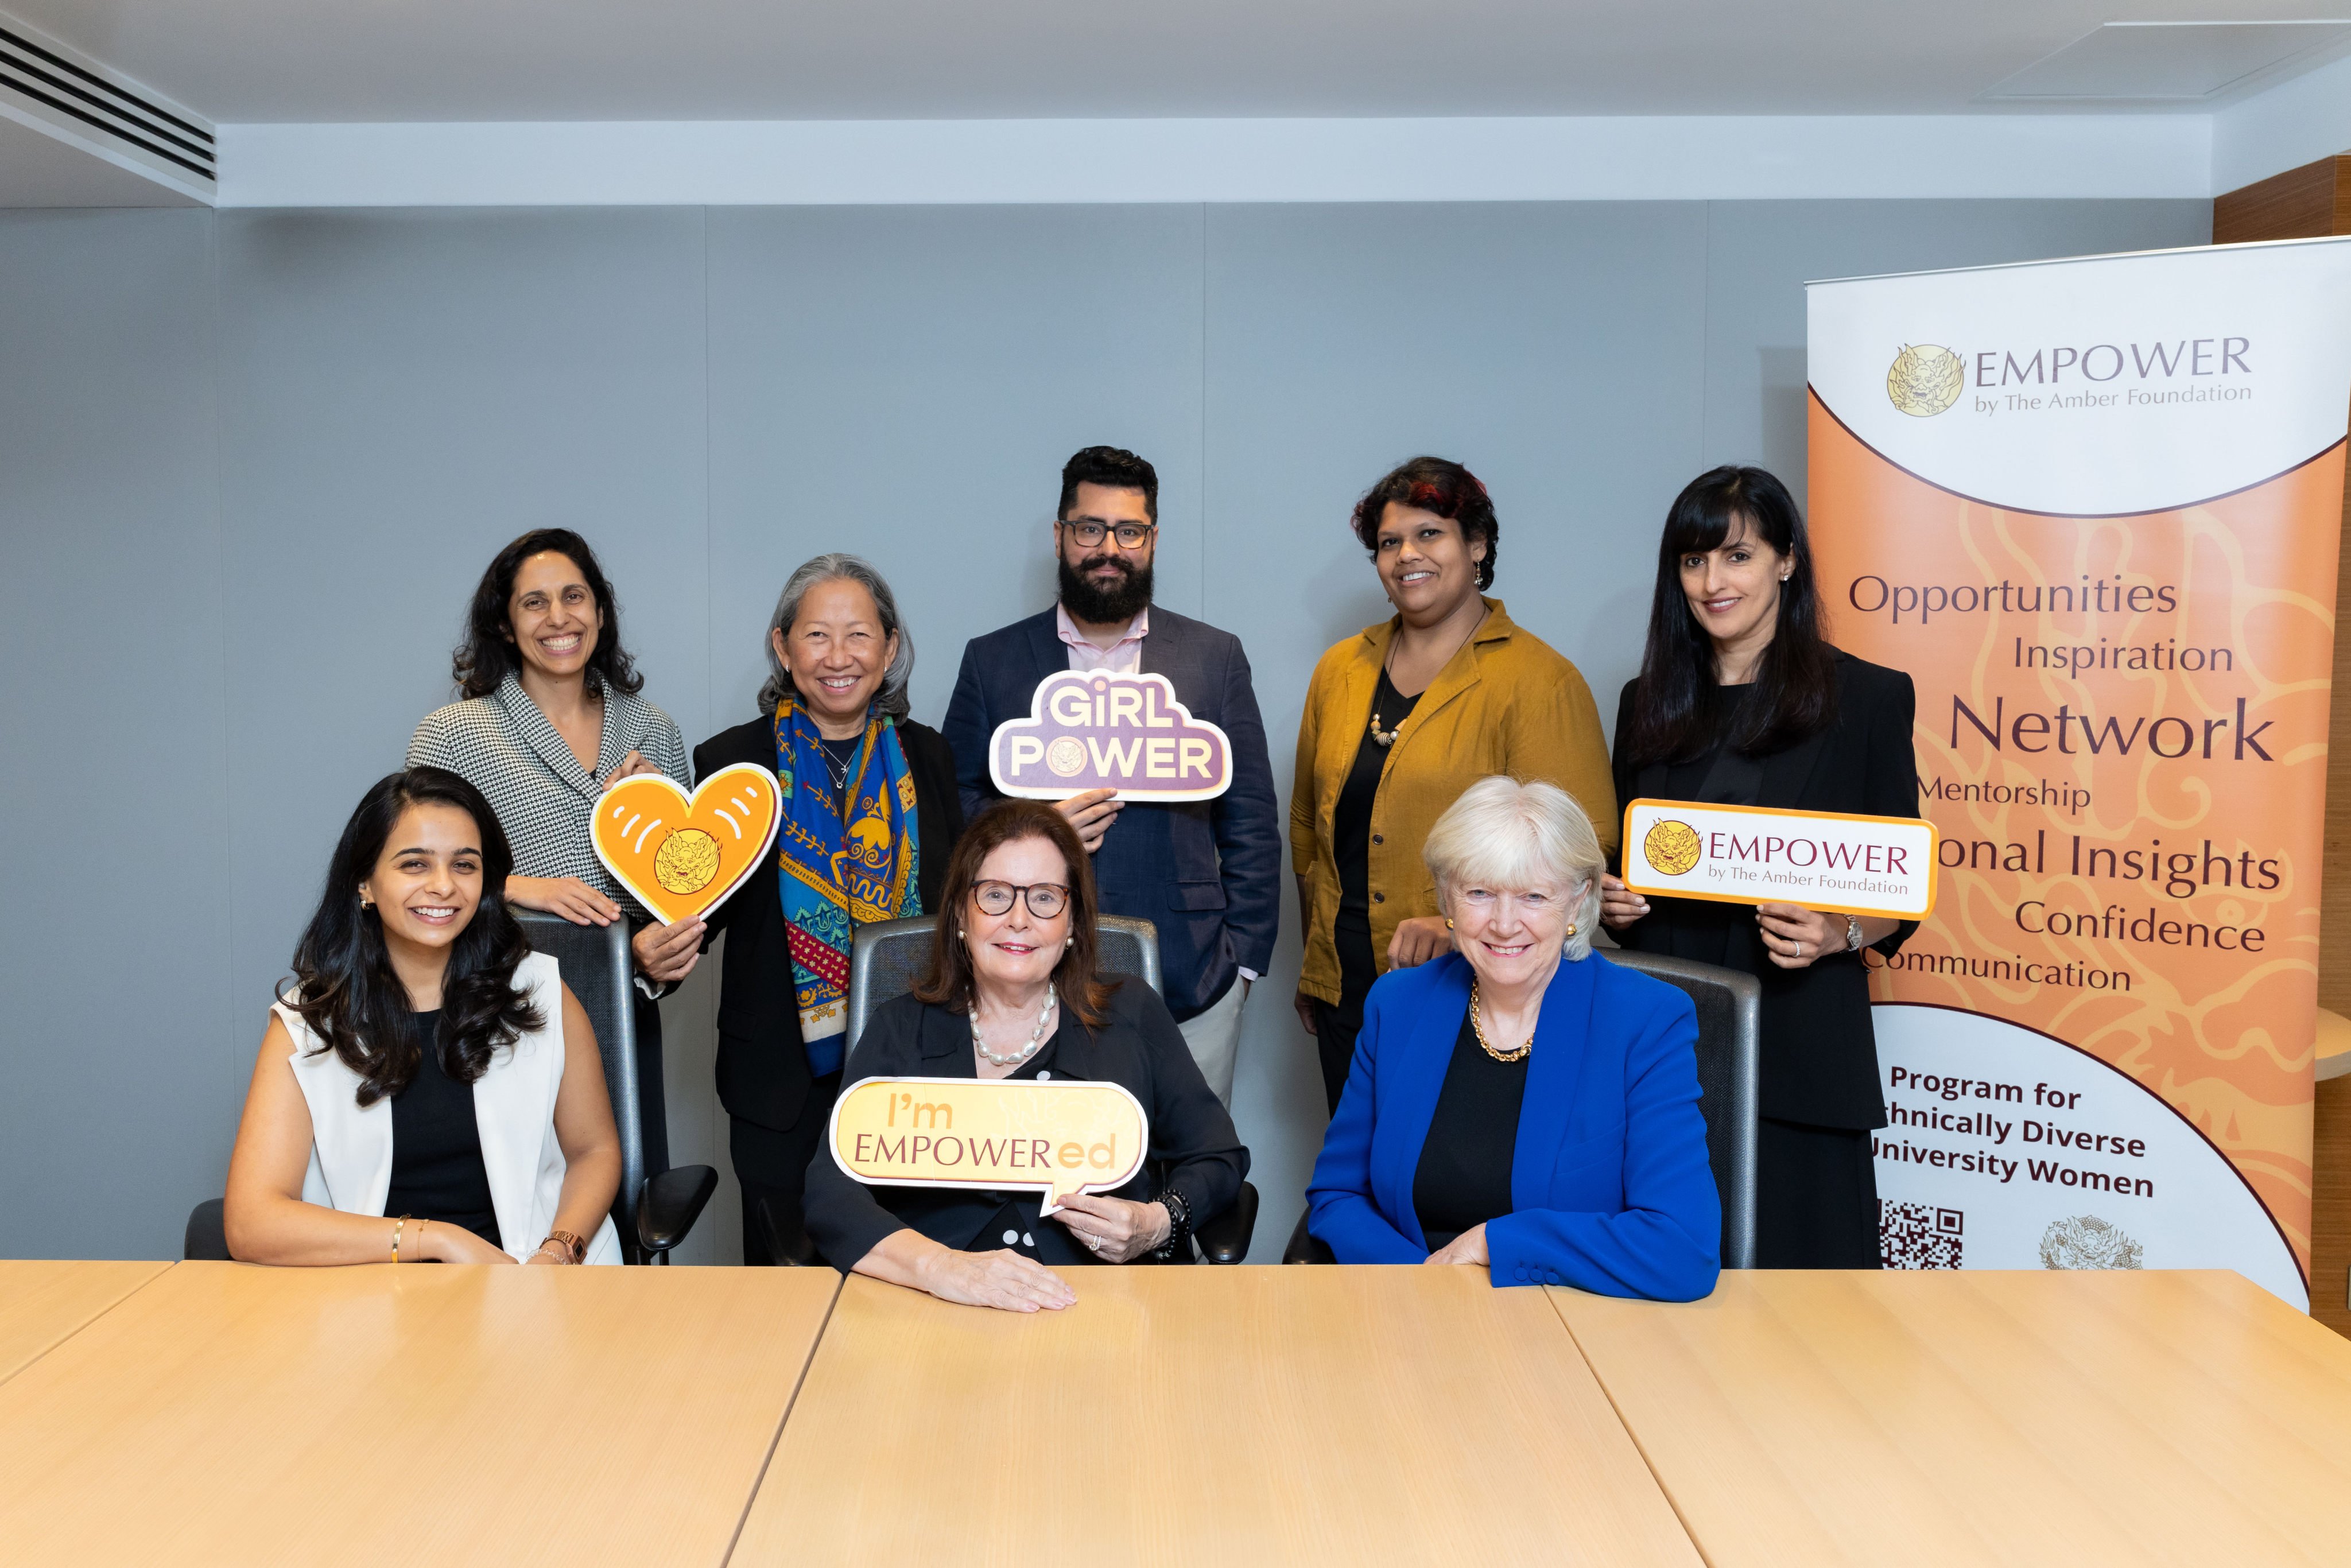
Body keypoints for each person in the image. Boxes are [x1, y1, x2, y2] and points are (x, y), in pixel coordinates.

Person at [1602, 465, 1918, 1269]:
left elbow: (1899, 891)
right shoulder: (1645, 702)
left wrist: (1839, 931)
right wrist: (1611, 903)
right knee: (1663, 1288)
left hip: (1802, 1044)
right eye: (1693, 560)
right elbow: (1626, 867)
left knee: (1810, 1306)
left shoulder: (1868, 698)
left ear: (1786, 561)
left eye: (1737, 556)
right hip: (1664, 1042)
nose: (1713, 582)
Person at [802, 799, 1248, 1311]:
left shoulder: (1131, 1013)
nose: (1019, 920)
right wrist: (940, 1268)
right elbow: (830, 1193)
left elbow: (1219, 1157)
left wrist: (1156, 1222)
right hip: (934, 1309)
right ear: (961, 914)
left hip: (1101, 1308)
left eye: (1044, 898)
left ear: (1073, 921)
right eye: (995, 895)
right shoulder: (900, 1028)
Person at [942, 446, 1280, 1108]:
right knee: (1044, 1155)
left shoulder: (1214, 657)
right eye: (1089, 528)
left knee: (1188, 1155)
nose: (1108, 549)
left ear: (1151, 539)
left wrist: (1241, 964)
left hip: (1191, 975)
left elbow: (1252, 820)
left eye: (1129, 531)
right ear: (1060, 535)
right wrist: (1037, 828)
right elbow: (954, 805)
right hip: (1026, 975)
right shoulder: (992, 660)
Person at [1306, 777, 1718, 1300]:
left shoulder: (1645, 1021)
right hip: (1409, 1306)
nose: (1504, 924)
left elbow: (1683, 1249)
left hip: (1570, 1321)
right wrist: (1423, 1284)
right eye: (1480, 893)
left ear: (1577, 901)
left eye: (1533, 896)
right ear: (1446, 897)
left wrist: (1494, 1243)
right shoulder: (1398, 1004)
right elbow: (1339, 1194)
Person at [1291, 456, 1617, 1113]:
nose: (1406, 554)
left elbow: (1583, 853)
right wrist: (1317, 965)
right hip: (1345, 986)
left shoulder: (1539, 680)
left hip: (1478, 986)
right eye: (1389, 542)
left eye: (1429, 534)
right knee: (1360, 1161)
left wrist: (1457, 920)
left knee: (1449, 1164)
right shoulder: (1340, 669)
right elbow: (1307, 830)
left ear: (1477, 545)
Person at [680, 554, 963, 1264]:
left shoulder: (929, 758)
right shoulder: (730, 763)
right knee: (781, 1290)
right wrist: (655, 946)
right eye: (816, 635)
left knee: (909, 1277)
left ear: (889, 649)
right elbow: (694, 915)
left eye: (859, 634)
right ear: (783, 647)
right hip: (776, 1082)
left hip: (913, 1071)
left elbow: (956, 905)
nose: (838, 657)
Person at [223, 767, 623, 1266]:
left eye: (464, 865)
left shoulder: (540, 991)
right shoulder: (308, 1024)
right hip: (373, 1290)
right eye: (415, 864)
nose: (444, 886)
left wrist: (559, 1252)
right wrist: (436, 1240)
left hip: (536, 1281)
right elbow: (251, 1221)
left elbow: (594, 1153)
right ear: (364, 883)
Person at [408, 528, 698, 1176]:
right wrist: (513, 886)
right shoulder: (453, 735)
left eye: (574, 596)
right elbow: (414, 877)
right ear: (505, 624)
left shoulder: (655, 730)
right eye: (534, 602)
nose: (559, 617)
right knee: (515, 1207)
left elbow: (683, 894)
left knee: (629, 1200)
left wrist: (651, 951)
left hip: (624, 1014)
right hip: (500, 1020)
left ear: (600, 610)